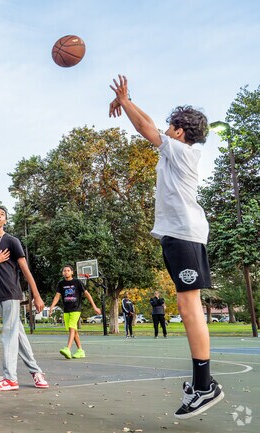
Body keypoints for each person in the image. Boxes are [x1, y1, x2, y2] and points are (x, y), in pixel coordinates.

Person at [110, 74, 223, 419]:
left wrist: (126, 100)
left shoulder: (184, 151)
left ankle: (205, 385)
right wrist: (130, 103)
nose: (166, 128)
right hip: (178, 235)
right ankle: (202, 383)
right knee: (187, 304)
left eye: (171, 125)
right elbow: (150, 126)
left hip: (185, 234)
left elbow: (146, 128)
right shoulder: (177, 152)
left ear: (180, 130)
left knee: (190, 307)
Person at [0, 206, 49, 391]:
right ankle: (36, 373)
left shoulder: (12, 241)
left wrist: (37, 296)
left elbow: (26, 270)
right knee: (17, 333)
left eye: (2, 215)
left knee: (9, 334)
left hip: (11, 293)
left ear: (6, 221)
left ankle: (10, 378)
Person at [49, 265, 101, 359]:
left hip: (75, 309)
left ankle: (68, 349)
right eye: (64, 271)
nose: (66, 272)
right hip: (66, 310)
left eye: (68, 270)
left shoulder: (77, 282)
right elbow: (57, 296)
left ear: (72, 272)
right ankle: (80, 351)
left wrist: (94, 307)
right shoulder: (61, 283)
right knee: (73, 331)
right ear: (62, 273)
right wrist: (52, 306)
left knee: (72, 328)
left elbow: (87, 294)